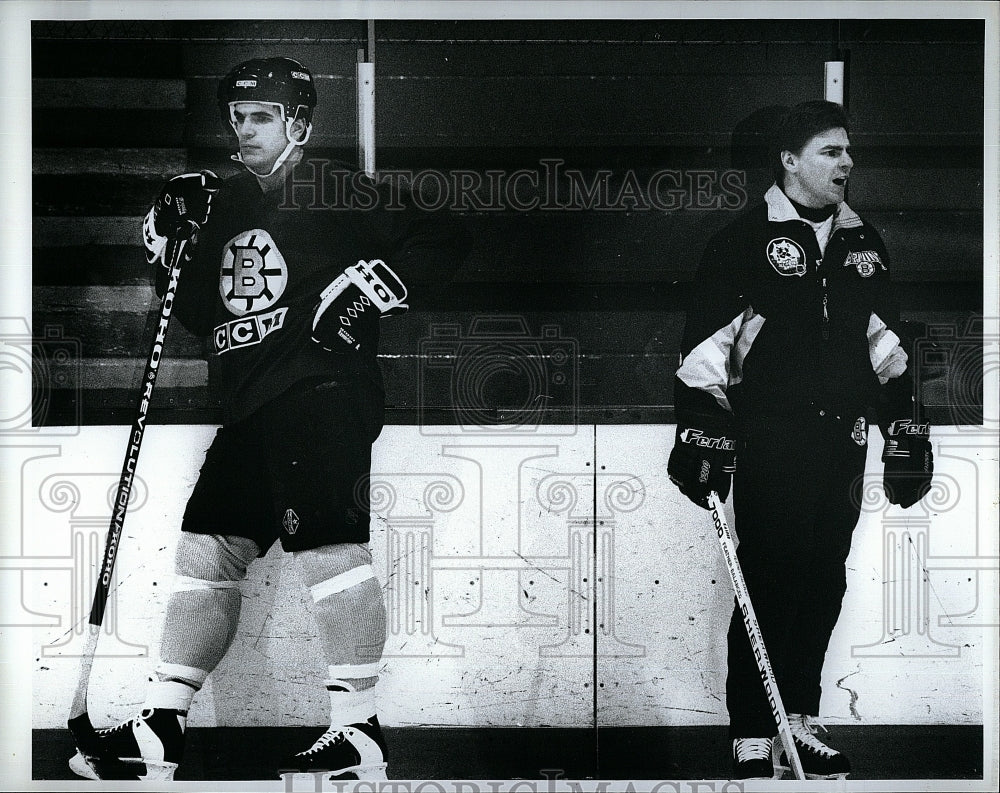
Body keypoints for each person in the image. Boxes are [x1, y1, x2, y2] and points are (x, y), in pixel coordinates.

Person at [69, 56, 469, 782]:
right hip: (250, 406)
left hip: (321, 392)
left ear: (300, 124)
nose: (244, 129)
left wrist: (371, 287)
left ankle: (359, 729)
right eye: (237, 118)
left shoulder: (333, 188)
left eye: (261, 117)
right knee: (205, 550)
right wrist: (169, 244)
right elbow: (194, 313)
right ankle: (163, 721)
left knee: (327, 547)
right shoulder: (225, 206)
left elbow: (443, 237)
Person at [667, 100, 933, 780]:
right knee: (772, 578)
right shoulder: (742, 240)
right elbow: (707, 350)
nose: (847, 163)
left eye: (848, 151)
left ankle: (799, 719)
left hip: (841, 443)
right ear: (789, 160)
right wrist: (704, 431)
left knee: (822, 580)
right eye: (830, 151)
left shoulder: (862, 241)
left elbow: (887, 346)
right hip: (770, 439)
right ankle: (753, 729)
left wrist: (903, 431)